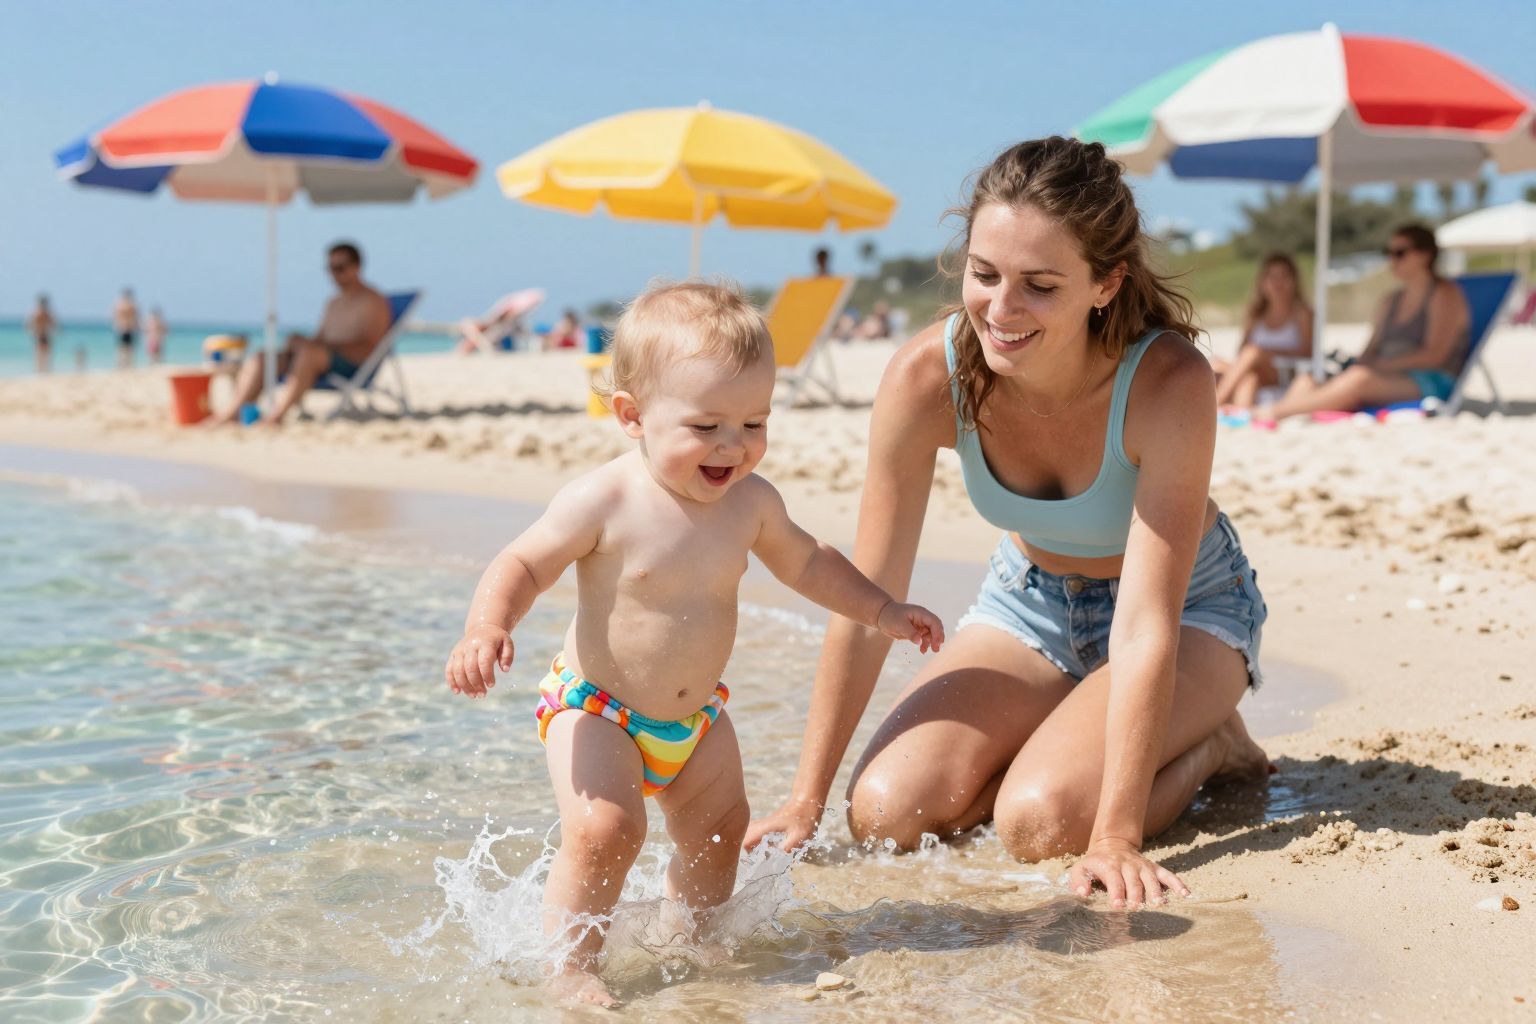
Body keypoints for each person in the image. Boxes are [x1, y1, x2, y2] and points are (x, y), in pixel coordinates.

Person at [744, 137, 1271, 909]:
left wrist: (1116, 835)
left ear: (1106, 284)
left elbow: (1145, 624)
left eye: (1040, 285)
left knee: (1042, 824)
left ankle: (1212, 743)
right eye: (983, 274)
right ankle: (1064, 737)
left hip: (1187, 609)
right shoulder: (926, 377)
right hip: (1029, 600)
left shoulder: (1168, 382)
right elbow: (866, 597)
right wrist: (805, 797)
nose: (1001, 308)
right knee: (885, 816)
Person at [443, 281, 944, 1007]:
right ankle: (571, 964)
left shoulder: (752, 502)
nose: (733, 446)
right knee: (607, 829)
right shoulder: (605, 499)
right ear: (632, 416)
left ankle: (693, 935)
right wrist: (488, 626)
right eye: (707, 425)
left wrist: (881, 609)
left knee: (721, 827)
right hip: (598, 709)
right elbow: (522, 563)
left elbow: (809, 562)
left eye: (754, 423)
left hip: (696, 718)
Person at [1255, 225, 1469, 425]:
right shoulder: (1390, 301)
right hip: (1382, 374)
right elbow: (1371, 348)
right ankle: (1288, 415)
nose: (1392, 259)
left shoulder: (1444, 295)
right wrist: (1358, 365)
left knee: (1359, 379)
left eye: (1400, 253)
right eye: (1389, 252)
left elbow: (1434, 357)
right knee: (1309, 378)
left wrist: (1377, 366)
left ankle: (1276, 413)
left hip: (1429, 379)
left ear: (1425, 255)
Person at [209, 242, 391, 425]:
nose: (334, 275)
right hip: (320, 359)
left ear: (357, 267)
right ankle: (232, 414)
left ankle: (276, 417)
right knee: (262, 358)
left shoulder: (373, 301)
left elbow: (369, 347)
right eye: (330, 269)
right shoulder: (334, 302)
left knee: (309, 354)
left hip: (352, 365)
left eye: (340, 268)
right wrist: (301, 342)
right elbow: (320, 340)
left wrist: (315, 347)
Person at [1212, 254, 1312, 411]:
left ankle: (1216, 404)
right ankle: (1240, 412)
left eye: (1284, 276)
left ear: (1294, 280)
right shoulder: (1256, 314)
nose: (1278, 282)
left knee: (1253, 352)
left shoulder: (1301, 312)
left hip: (1283, 373)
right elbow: (1241, 352)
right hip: (1256, 372)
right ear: (1263, 282)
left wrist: (1266, 354)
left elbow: (1307, 353)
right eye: (1272, 277)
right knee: (1237, 373)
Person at [27, 294, 56, 374]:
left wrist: (32, 332)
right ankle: (42, 371)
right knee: (42, 355)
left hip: (42, 335)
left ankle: (42, 371)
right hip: (42, 335)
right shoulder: (40, 313)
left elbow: (29, 325)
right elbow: (53, 324)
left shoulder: (39, 313)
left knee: (42, 355)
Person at [112, 288, 139, 369]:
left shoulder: (119, 305)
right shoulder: (130, 305)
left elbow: (114, 316)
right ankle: (125, 366)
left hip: (123, 328)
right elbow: (136, 317)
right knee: (126, 349)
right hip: (126, 328)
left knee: (123, 349)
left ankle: (123, 366)